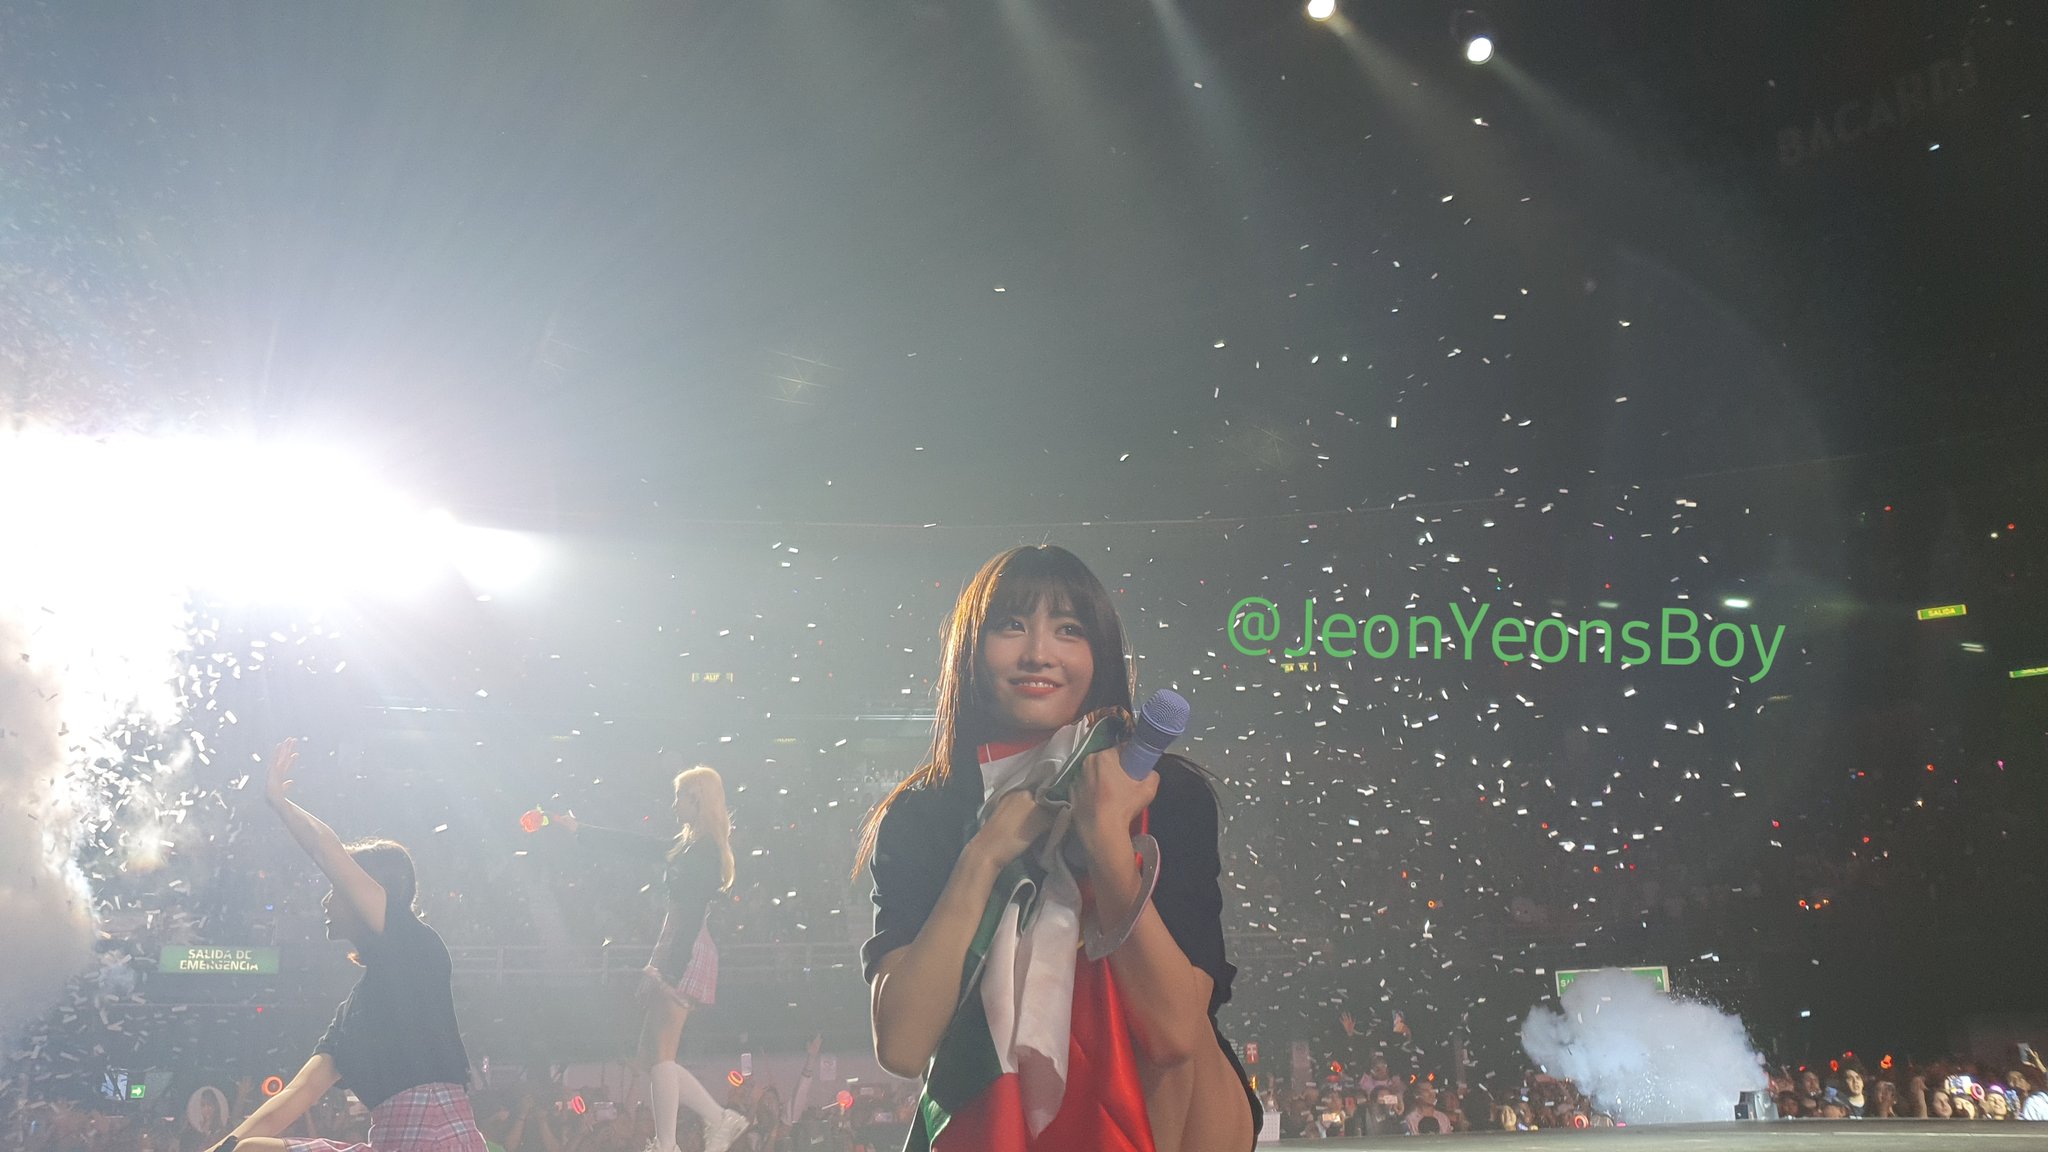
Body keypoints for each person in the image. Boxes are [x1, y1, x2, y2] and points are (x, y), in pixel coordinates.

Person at [855, 545, 1261, 1152]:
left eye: (1069, 629)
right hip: (993, 1124)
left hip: (1169, 1122)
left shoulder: (1165, 792)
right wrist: (984, 856)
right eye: (1011, 625)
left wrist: (1106, 837)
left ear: (1101, 655)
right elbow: (904, 1046)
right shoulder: (925, 813)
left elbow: (1175, 1033)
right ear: (970, 651)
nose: (1038, 653)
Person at [206, 738, 485, 1152]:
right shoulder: (354, 1011)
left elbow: (326, 849)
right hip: (394, 1141)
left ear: (364, 891)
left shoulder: (414, 948)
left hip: (436, 1138)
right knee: (247, 1150)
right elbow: (298, 1094)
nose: (326, 900)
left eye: (336, 887)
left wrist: (280, 803)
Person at [549, 764, 748, 1152]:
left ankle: (674, 1140)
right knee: (651, 1056)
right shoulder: (689, 845)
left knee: (661, 1055)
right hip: (676, 946)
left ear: (698, 799)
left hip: (684, 949)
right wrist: (581, 830)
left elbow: (690, 915)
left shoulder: (703, 850)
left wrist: (670, 970)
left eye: (680, 796)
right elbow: (638, 846)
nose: (674, 804)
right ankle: (711, 1121)